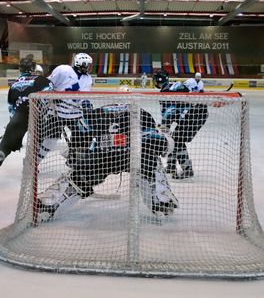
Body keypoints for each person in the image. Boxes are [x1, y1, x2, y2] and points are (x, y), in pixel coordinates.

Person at [36, 102, 178, 222]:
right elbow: (160, 143)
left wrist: (78, 158)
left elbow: (80, 137)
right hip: (135, 155)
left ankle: (49, 204)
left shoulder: (96, 114)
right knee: (151, 164)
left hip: (102, 157)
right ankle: (161, 201)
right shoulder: (142, 114)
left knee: (78, 177)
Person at [0, 58, 54, 187]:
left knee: (4, 147)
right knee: (43, 142)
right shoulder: (43, 80)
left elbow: (11, 107)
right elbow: (49, 98)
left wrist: (13, 125)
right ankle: (31, 165)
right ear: (34, 70)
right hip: (38, 118)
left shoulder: (14, 84)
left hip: (19, 117)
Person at [37, 53, 93, 163]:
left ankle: (71, 156)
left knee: (85, 134)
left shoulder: (88, 79)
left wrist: (87, 105)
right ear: (81, 64)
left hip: (75, 113)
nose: (90, 67)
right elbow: (48, 84)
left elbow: (85, 97)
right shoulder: (63, 70)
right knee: (50, 140)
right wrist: (51, 95)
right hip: (56, 111)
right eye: (88, 65)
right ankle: (36, 162)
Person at [153, 70, 208, 179]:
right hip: (197, 112)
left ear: (158, 80)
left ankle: (187, 170)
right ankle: (171, 167)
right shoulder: (173, 84)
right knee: (174, 139)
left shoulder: (165, 92)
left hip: (192, 115)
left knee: (177, 141)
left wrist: (165, 126)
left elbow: (170, 112)